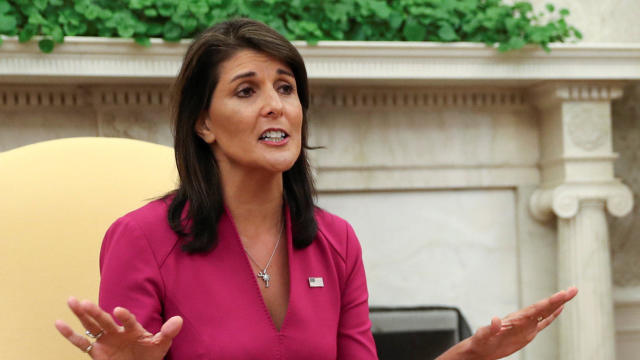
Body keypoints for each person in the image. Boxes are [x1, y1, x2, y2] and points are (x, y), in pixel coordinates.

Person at [54, 18, 578, 359]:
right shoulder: (141, 239)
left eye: (286, 88)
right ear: (203, 124)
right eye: (246, 90)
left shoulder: (336, 241)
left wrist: (469, 354)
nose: (275, 104)